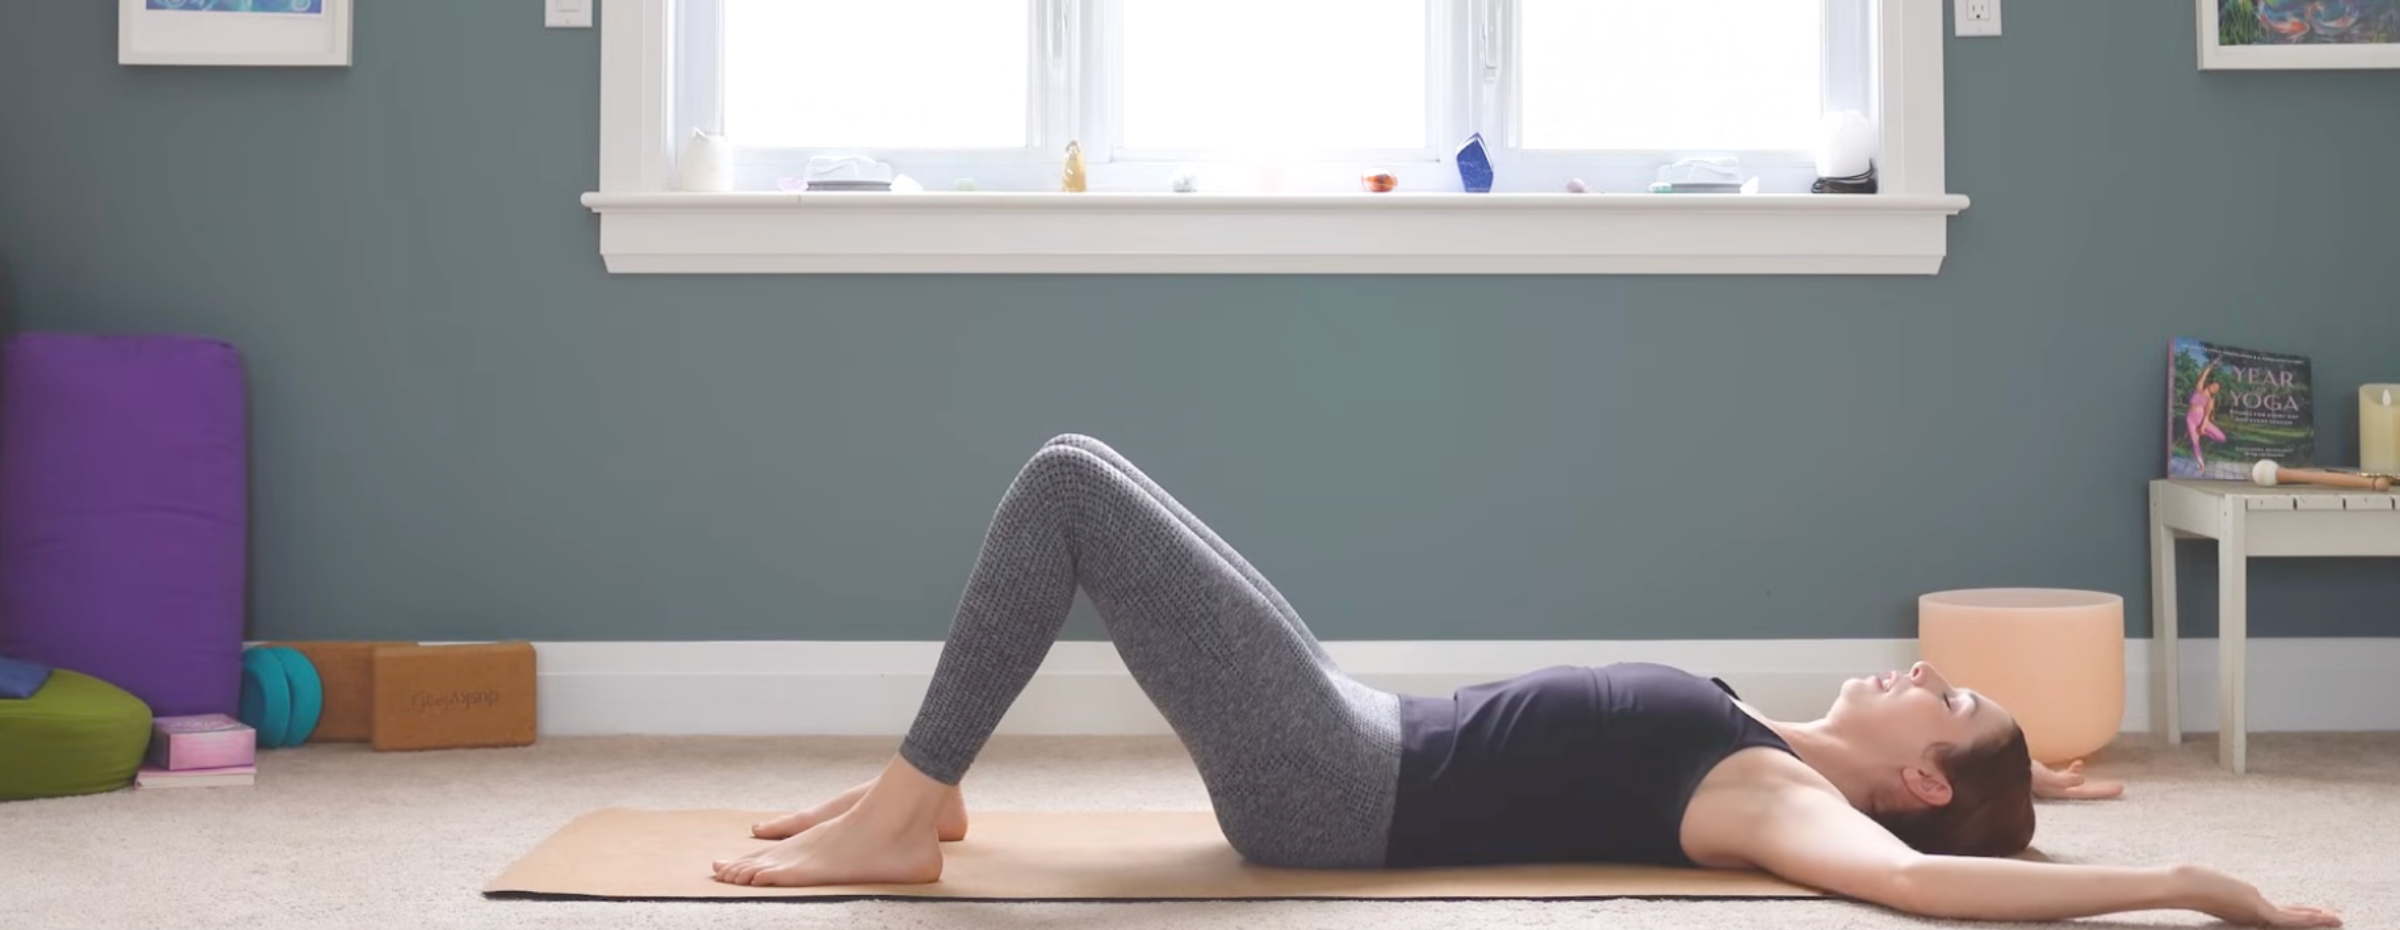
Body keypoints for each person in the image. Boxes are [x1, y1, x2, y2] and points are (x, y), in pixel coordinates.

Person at [711, 435, 2340, 927]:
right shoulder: (1785, 741)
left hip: (1332, 787)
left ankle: (906, 815)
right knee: (1097, 480)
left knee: (1068, 485)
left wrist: (2200, 883)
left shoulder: (1780, 799)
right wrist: (2032, 776)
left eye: (1949, 700)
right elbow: (1964, 812)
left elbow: (1929, 888)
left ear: (1916, 778)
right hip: (1353, 721)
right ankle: (898, 789)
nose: (1928, 669)